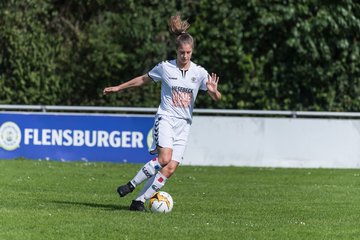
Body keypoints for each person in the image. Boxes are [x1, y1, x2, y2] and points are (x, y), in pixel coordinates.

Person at [103, 13, 221, 211]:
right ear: (177, 51)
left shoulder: (200, 73)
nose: (185, 56)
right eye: (182, 52)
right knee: (164, 158)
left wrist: (214, 92)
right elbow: (142, 79)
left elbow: (217, 97)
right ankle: (131, 185)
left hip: (184, 125)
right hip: (166, 118)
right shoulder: (165, 68)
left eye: (189, 53)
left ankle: (139, 201)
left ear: (192, 52)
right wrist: (118, 87)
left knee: (170, 168)